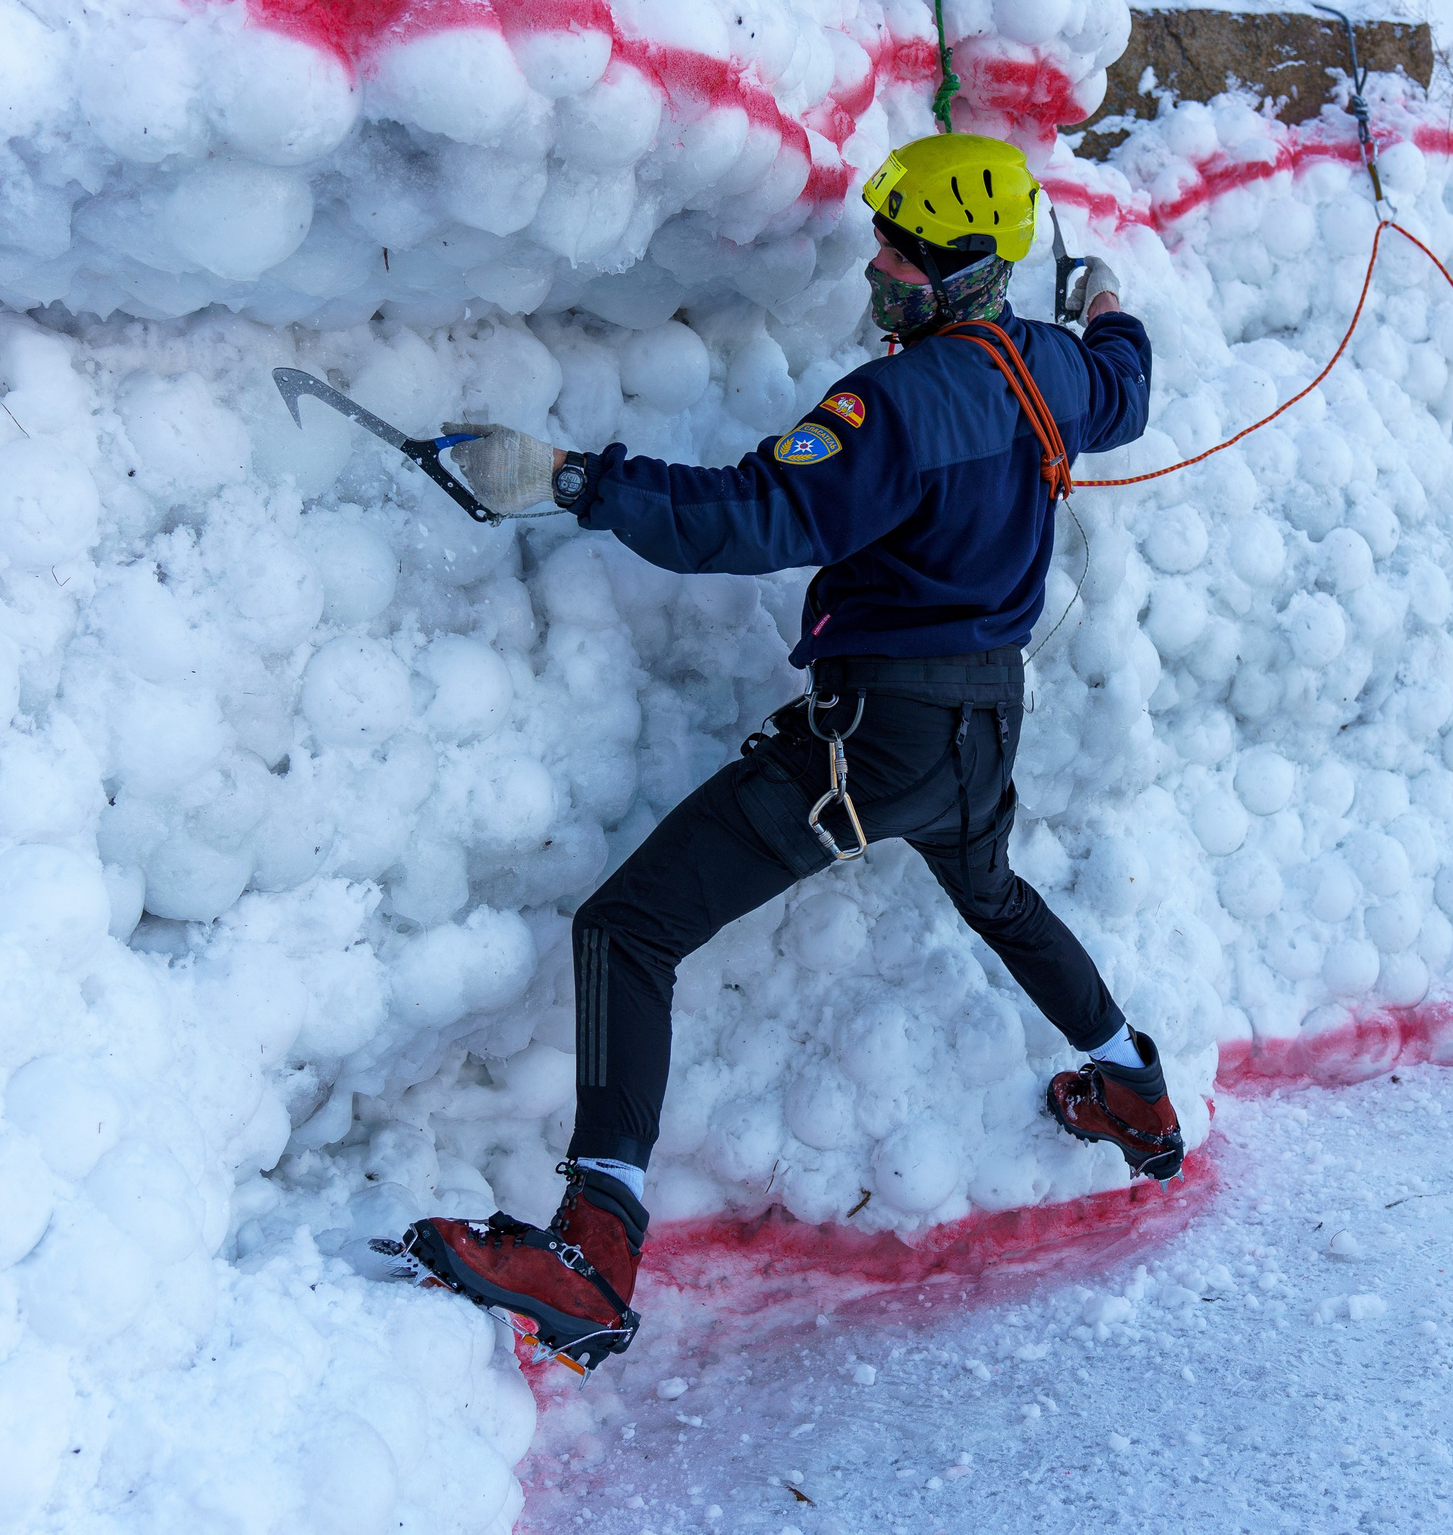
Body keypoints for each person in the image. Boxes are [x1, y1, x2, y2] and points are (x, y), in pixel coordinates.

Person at [381, 133, 1184, 1369]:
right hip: (981, 725)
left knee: (629, 928)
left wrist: (572, 479)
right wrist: (1106, 308)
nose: (877, 266)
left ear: (943, 268)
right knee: (994, 895)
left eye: (895, 250)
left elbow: (753, 516)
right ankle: (1129, 1080)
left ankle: (593, 1251)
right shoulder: (1054, 373)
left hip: (880, 738)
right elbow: (1125, 383)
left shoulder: (892, 406)